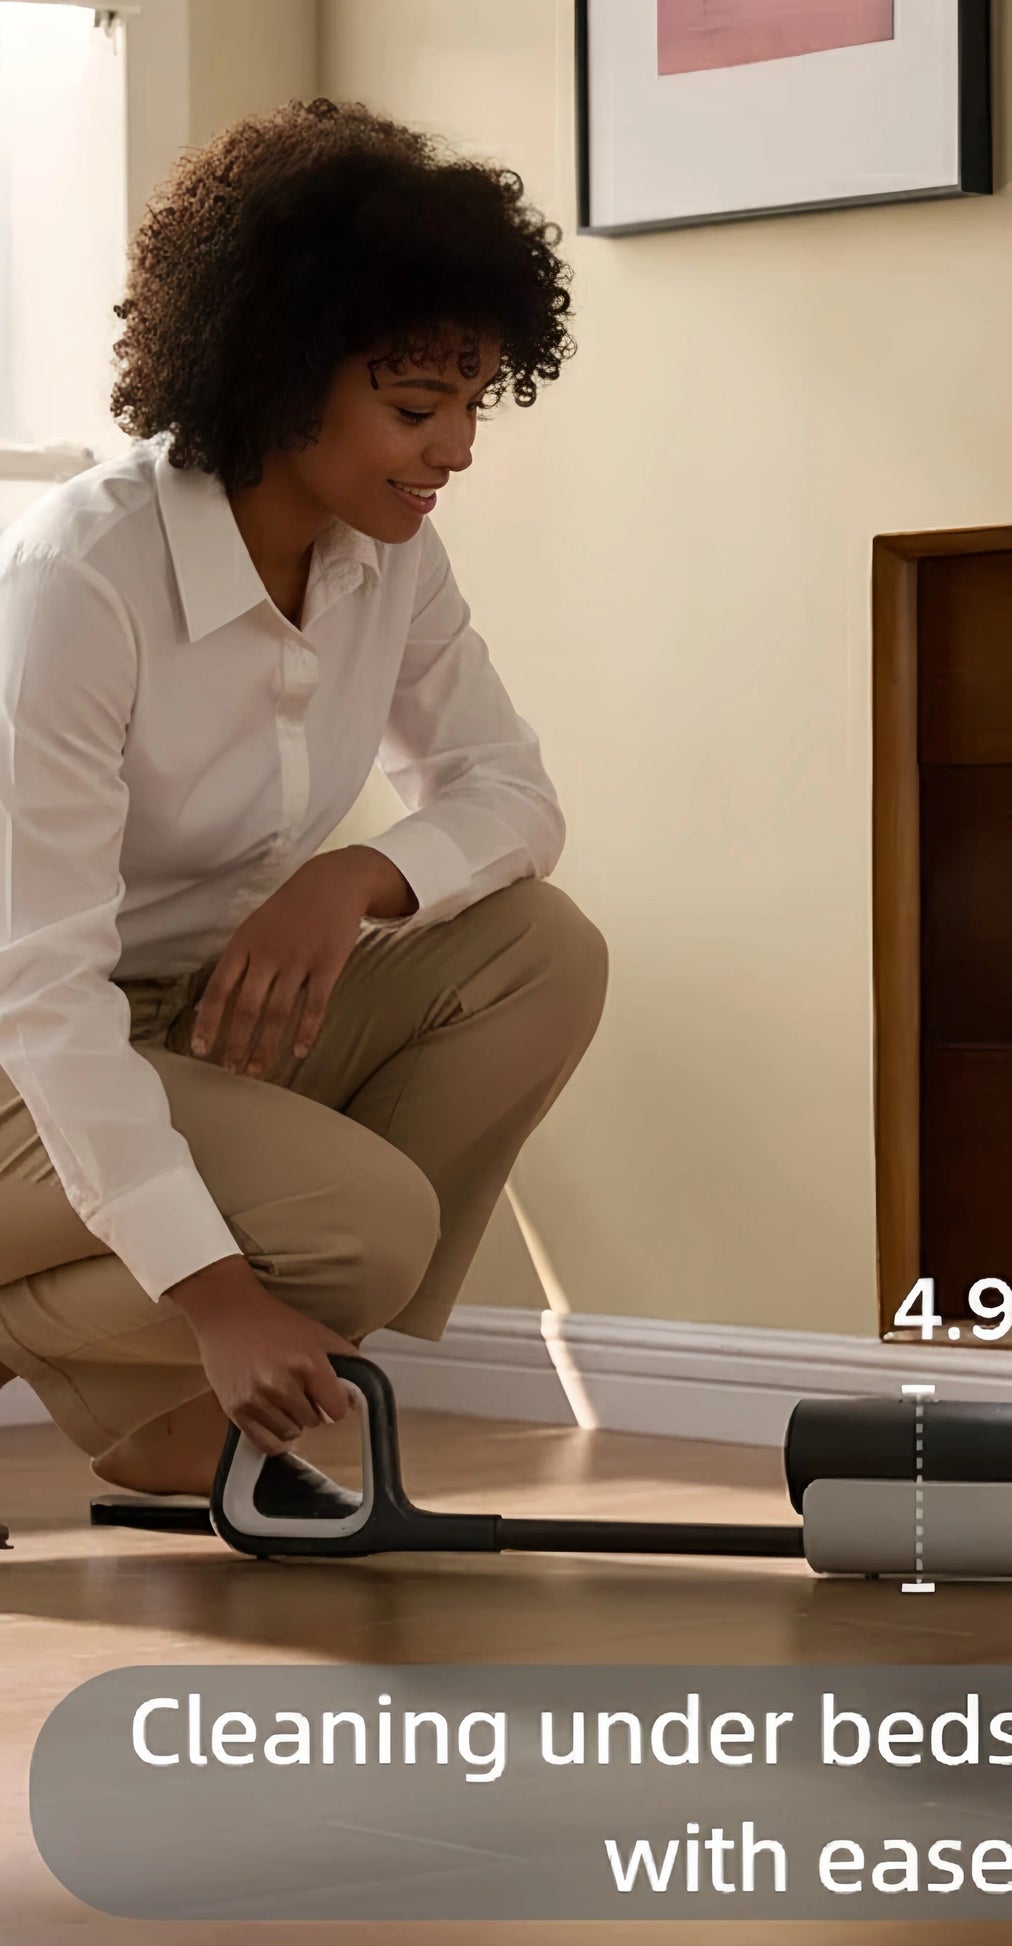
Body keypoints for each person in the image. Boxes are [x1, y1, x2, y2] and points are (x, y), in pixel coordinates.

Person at [0, 98, 605, 1517]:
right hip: (23, 1043)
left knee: (542, 948)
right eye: (414, 409)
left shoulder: (388, 554)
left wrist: (354, 883)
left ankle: (178, 1414)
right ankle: (158, 1359)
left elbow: (511, 793)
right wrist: (216, 1294)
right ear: (279, 377)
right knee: (363, 1223)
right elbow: (39, 991)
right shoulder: (84, 581)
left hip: (185, 1018)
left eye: (472, 403)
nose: (454, 447)